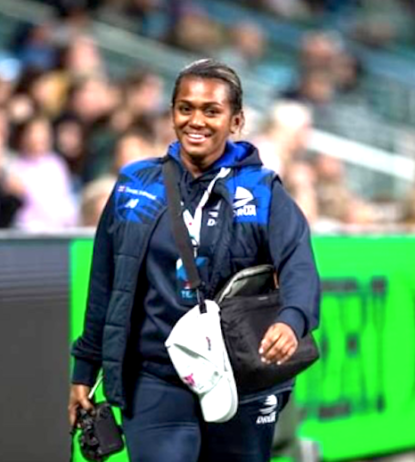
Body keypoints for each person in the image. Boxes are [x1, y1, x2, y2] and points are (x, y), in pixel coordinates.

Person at [68, 58, 320, 462]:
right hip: (153, 377)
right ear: (172, 114)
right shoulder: (135, 185)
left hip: (241, 377)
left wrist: (292, 319)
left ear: (236, 121)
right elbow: (104, 282)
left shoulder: (262, 190)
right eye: (186, 108)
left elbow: (299, 264)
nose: (196, 120)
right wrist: (84, 370)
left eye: (212, 111)